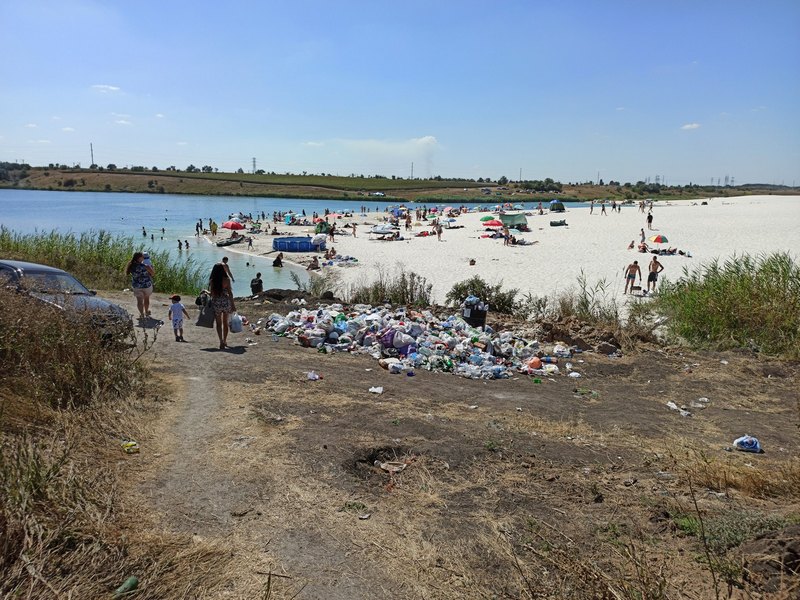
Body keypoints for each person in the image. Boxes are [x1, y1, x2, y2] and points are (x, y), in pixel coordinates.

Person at [209, 262, 235, 350]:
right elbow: (230, 293)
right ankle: (225, 340)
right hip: (225, 302)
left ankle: (220, 341)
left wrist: (205, 291)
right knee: (225, 323)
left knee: (218, 323)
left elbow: (212, 294)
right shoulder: (227, 280)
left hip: (216, 303)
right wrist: (233, 305)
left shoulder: (212, 280)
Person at [125, 251, 155, 319]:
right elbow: (153, 274)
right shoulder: (146, 266)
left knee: (139, 301)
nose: (143, 258)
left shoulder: (131, 266)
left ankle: (141, 314)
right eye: (142, 257)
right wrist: (151, 268)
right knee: (146, 298)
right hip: (146, 285)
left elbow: (128, 273)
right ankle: (146, 311)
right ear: (139, 258)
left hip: (136, 285)